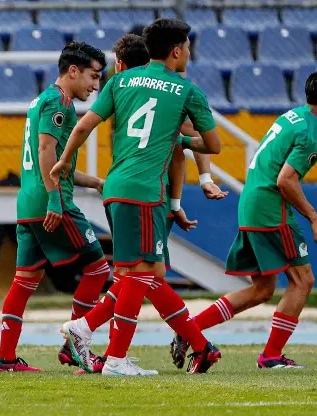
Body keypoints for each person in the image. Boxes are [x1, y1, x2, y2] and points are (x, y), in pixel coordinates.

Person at [51, 19, 222, 376]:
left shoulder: (120, 82)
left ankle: (200, 346)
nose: (189, 52)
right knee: (140, 274)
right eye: (188, 46)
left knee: (146, 273)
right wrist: (179, 140)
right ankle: (105, 349)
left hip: (114, 188)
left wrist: (64, 161)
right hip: (146, 193)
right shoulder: (184, 91)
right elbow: (213, 145)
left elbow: (84, 125)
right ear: (177, 50)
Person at [180, 69, 317, 369]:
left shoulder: (292, 116)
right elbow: (286, 180)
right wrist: (314, 217)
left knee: (263, 289)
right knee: (303, 280)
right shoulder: (314, 133)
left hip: (252, 201)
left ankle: (189, 329)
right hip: (271, 208)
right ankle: (270, 356)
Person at [0, 42, 110, 373]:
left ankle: (6, 359)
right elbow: (46, 150)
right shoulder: (59, 103)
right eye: (93, 76)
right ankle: (74, 346)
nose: (95, 85)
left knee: (24, 281)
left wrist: (97, 183)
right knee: (99, 270)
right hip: (50, 202)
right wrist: (57, 198)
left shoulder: (40, 101)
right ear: (73, 71)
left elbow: (57, 162)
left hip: (28, 201)